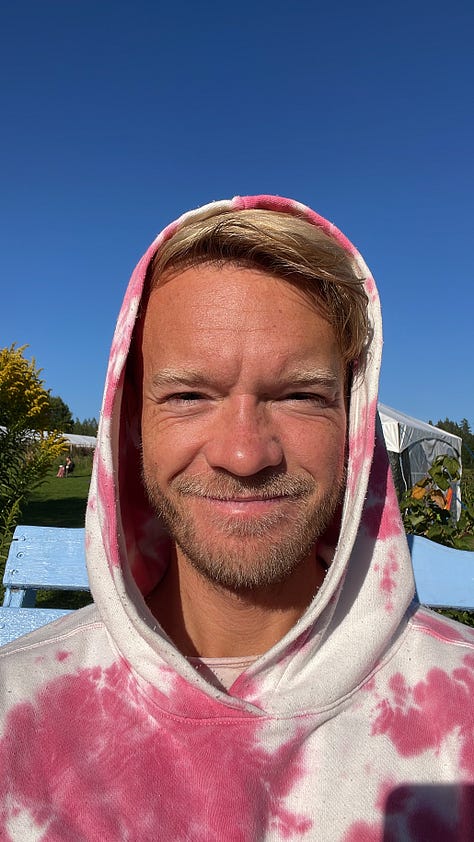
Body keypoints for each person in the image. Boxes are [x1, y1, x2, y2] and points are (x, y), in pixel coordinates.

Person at [0, 195, 472, 840]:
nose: (245, 455)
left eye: (300, 395)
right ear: (132, 423)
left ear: (353, 425)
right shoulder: (18, 716)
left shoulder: (460, 717)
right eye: (189, 396)